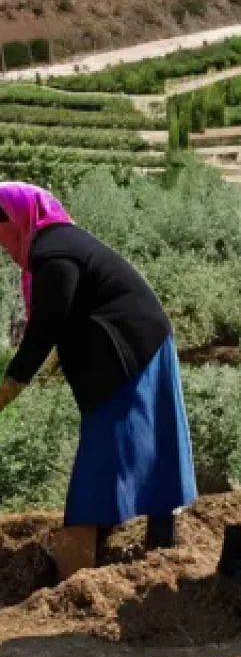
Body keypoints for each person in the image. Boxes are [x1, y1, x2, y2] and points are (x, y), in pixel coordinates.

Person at [0, 183, 197, 581]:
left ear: (17, 218)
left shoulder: (52, 251)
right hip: (138, 343)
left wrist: (9, 388)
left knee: (106, 450)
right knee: (146, 444)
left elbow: (44, 329)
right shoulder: (57, 244)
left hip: (131, 350)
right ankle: (157, 544)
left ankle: (74, 574)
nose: (1, 244)